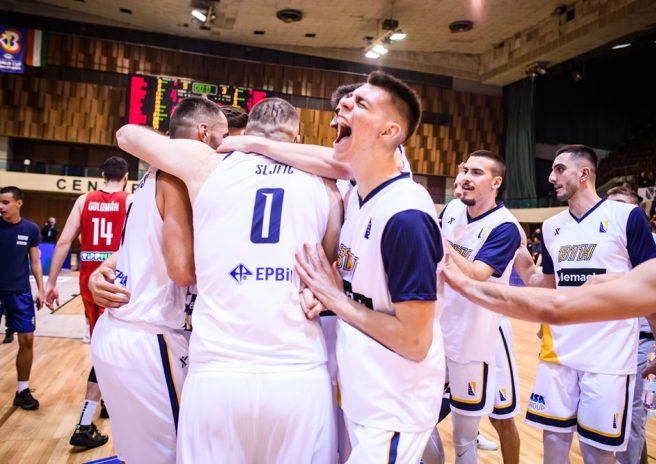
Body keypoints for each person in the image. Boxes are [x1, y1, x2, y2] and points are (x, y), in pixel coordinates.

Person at [115, 96, 342, 463]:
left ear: (246, 131)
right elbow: (325, 273)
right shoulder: (328, 186)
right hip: (298, 371)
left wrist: (240, 145)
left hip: (217, 369)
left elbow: (127, 135)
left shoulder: (207, 164)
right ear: (298, 140)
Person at [445, 144, 656, 464]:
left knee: (597, 453)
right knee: (553, 445)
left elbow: (655, 285)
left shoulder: (626, 216)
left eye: (559, 169)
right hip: (558, 352)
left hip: (608, 356)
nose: (551, 177)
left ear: (584, 173)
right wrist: (518, 256)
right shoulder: (551, 227)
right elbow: (545, 284)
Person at [295, 71, 445, 463]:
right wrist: (326, 298)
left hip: (393, 409)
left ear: (389, 132)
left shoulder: (406, 216)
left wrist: (337, 301)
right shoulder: (358, 199)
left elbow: (414, 341)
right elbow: (365, 295)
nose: (344, 104)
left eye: (360, 103)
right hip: (362, 394)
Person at [88, 96, 227, 464]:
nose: (226, 145)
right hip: (151, 339)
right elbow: (182, 271)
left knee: (138, 453)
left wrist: (99, 271)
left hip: (118, 330)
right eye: (224, 135)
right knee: (175, 454)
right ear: (203, 133)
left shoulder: (148, 177)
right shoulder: (176, 177)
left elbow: (137, 248)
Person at [428, 152, 522, 464]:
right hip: (439, 332)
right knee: (418, 420)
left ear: (496, 182)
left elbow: (477, 274)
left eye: (477, 172)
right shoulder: (453, 209)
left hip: (475, 341)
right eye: (466, 169)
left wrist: (439, 240)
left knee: (465, 439)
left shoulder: (505, 227)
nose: (466, 176)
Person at [44, 156, 131, 448]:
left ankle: (105, 400)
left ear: (102, 175)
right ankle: (85, 422)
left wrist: (51, 283)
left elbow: (64, 242)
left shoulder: (84, 200)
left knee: (102, 344)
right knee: (109, 350)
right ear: (126, 177)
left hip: (88, 281)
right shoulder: (130, 201)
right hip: (115, 281)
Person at [606, 184, 656, 464]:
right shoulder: (604, 245)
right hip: (608, 338)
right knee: (615, 412)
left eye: (623, 206)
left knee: (633, 414)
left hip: (643, 340)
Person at [0, 186, 45, 410]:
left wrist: (42, 289)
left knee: (27, 340)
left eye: (5, 202)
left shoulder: (30, 229)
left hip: (21, 293)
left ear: (19, 203)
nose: (1, 206)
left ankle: (22, 390)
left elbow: (35, 262)